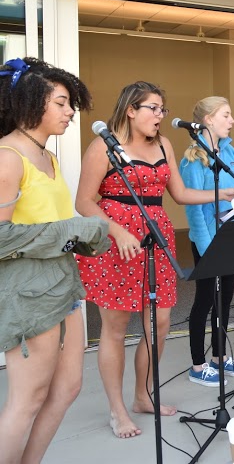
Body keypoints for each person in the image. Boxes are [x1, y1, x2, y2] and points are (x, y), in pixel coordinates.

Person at [75, 82, 234, 438]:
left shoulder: (164, 144)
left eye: (162, 109)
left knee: (160, 322)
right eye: (153, 108)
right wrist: (117, 231)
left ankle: (142, 396)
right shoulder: (103, 146)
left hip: (155, 236)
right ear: (131, 110)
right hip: (115, 242)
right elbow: (84, 201)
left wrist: (220, 192)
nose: (160, 116)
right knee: (115, 330)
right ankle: (117, 410)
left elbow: (177, 193)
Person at [0, 58, 110, 464]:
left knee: (67, 389)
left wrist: (83, 239)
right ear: (32, 103)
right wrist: (70, 233)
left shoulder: (48, 158)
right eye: (62, 103)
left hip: (64, 285)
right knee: (27, 401)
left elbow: (50, 226)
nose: (70, 112)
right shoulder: (8, 156)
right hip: (29, 292)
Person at [181, 97, 234, 386]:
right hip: (208, 242)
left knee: (225, 301)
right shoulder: (193, 159)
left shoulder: (229, 151)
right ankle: (198, 365)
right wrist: (206, 248)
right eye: (227, 115)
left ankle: (219, 357)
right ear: (209, 120)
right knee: (204, 301)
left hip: (232, 236)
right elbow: (194, 209)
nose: (232, 121)